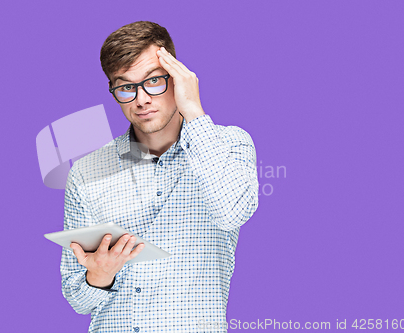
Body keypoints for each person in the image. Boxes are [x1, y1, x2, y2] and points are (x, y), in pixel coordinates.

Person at [60, 21, 259, 332]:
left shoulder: (229, 144)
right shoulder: (87, 172)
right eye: (126, 86)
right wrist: (99, 276)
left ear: (177, 77)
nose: (141, 99)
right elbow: (76, 298)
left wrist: (193, 109)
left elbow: (232, 212)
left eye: (154, 81)